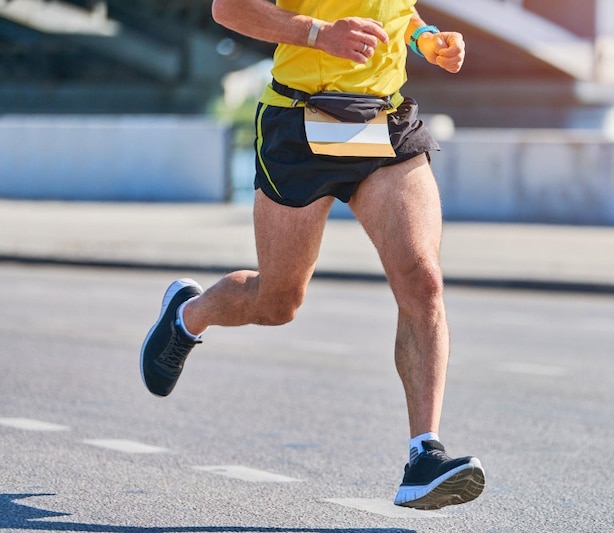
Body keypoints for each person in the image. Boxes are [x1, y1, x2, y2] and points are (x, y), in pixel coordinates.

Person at [140, 0, 484, 511]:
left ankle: (424, 455)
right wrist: (321, 34)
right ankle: (188, 315)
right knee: (278, 302)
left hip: (384, 122)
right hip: (299, 124)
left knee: (422, 281)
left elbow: (398, 11)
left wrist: (424, 38)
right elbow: (229, 9)